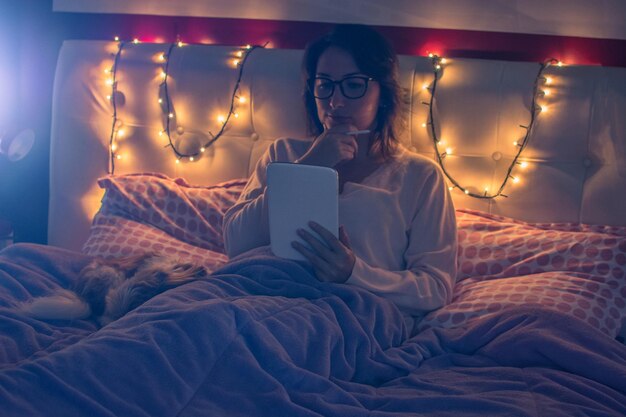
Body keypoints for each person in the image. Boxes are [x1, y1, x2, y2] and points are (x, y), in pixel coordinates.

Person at [223, 24, 457, 332]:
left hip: (348, 315)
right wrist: (308, 167)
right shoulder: (285, 154)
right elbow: (235, 243)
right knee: (176, 325)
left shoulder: (420, 176)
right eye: (325, 85)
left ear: (383, 93)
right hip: (258, 295)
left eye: (353, 85)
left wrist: (353, 272)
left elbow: (435, 288)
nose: (335, 102)